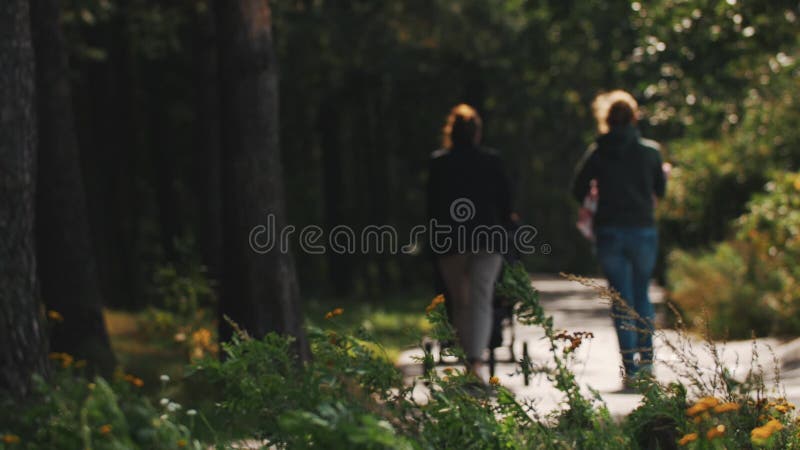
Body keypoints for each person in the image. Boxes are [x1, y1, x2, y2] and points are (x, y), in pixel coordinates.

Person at [571, 90, 667, 387]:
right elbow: (660, 191)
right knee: (642, 295)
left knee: (621, 300)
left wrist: (597, 198)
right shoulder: (650, 152)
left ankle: (630, 368)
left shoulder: (598, 152)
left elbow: (577, 188)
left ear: (606, 119)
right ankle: (648, 363)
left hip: (610, 231)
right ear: (635, 117)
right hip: (642, 229)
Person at [426, 104, 513, 381]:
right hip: (487, 239)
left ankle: (468, 359)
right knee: (481, 299)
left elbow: (432, 207)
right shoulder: (492, 161)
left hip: (450, 242)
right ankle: (475, 361)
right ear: (477, 133)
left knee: (459, 301)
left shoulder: (439, 163)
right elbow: (506, 203)